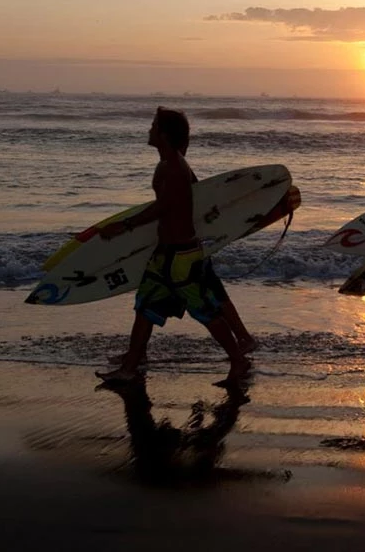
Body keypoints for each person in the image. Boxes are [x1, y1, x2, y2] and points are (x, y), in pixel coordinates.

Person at [97, 108, 256, 383]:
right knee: (145, 308)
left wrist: (123, 227)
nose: (149, 130)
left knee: (204, 312)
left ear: (164, 135)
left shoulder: (174, 167)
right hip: (166, 255)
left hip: (181, 257)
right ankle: (130, 367)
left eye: (154, 125)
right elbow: (197, 196)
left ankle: (239, 361)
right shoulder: (171, 164)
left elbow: (164, 207)